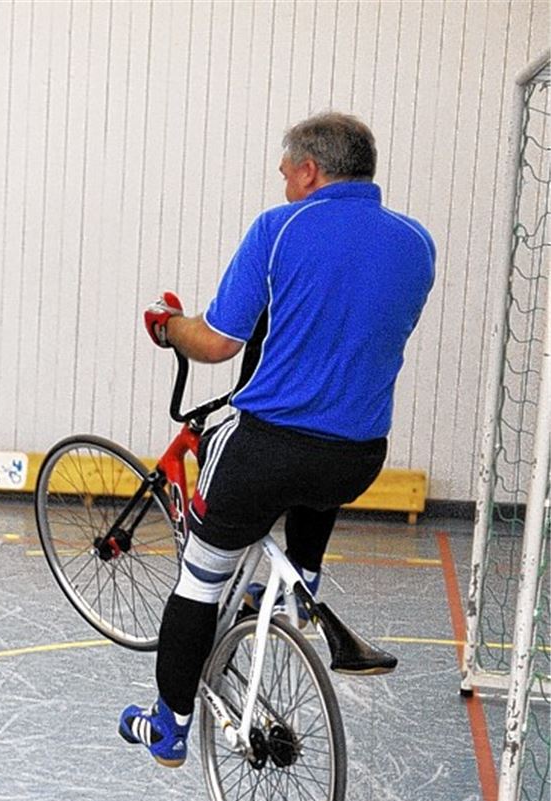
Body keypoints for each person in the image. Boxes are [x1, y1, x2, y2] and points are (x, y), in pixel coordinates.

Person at [119, 112, 436, 767]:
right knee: (319, 464)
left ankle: (168, 726)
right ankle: (301, 579)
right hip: (358, 455)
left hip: (265, 449)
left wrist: (167, 325)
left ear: (311, 169)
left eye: (287, 172)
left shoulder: (279, 227)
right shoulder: (417, 243)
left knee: (200, 581)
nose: (284, 183)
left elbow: (217, 343)